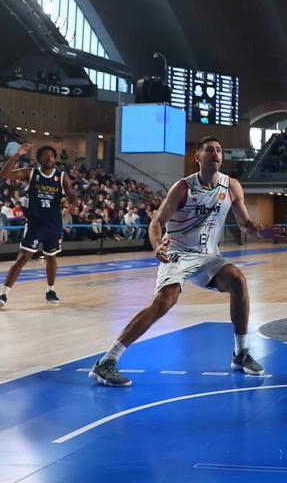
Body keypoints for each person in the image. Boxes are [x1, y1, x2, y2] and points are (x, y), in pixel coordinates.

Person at [90, 137, 267, 386]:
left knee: (238, 280)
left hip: (209, 256)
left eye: (219, 150)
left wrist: (262, 232)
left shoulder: (232, 186)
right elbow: (156, 222)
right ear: (198, 158)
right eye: (209, 150)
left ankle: (240, 353)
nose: (215, 153)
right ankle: (107, 361)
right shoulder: (183, 188)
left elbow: (245, 225)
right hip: (179, 253)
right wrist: (156, 246)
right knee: (164, 302)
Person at [0, 144, 75, 309]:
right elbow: (4, 173)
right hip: (35, 223)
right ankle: (4, 293)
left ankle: (50, 290)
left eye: (52, 156)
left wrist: (72, 202)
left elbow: (72, 194)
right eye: (45, 156)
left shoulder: (62, 176)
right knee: (23, 257)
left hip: (53, 224)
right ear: (39, 159)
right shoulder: (31, 172)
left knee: (51, 257)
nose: (49, 158)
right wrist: (18, 154)